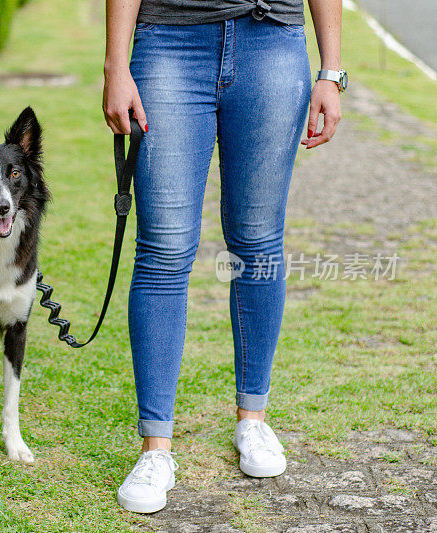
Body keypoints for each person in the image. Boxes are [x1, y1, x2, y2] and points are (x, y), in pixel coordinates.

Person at [102, 0, 344, 514]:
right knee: (163, 249)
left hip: (271, 42)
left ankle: (253, 420)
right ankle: (156, 451)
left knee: (257, 242)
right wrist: (115, 64)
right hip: (168, 43)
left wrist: (330, 71)